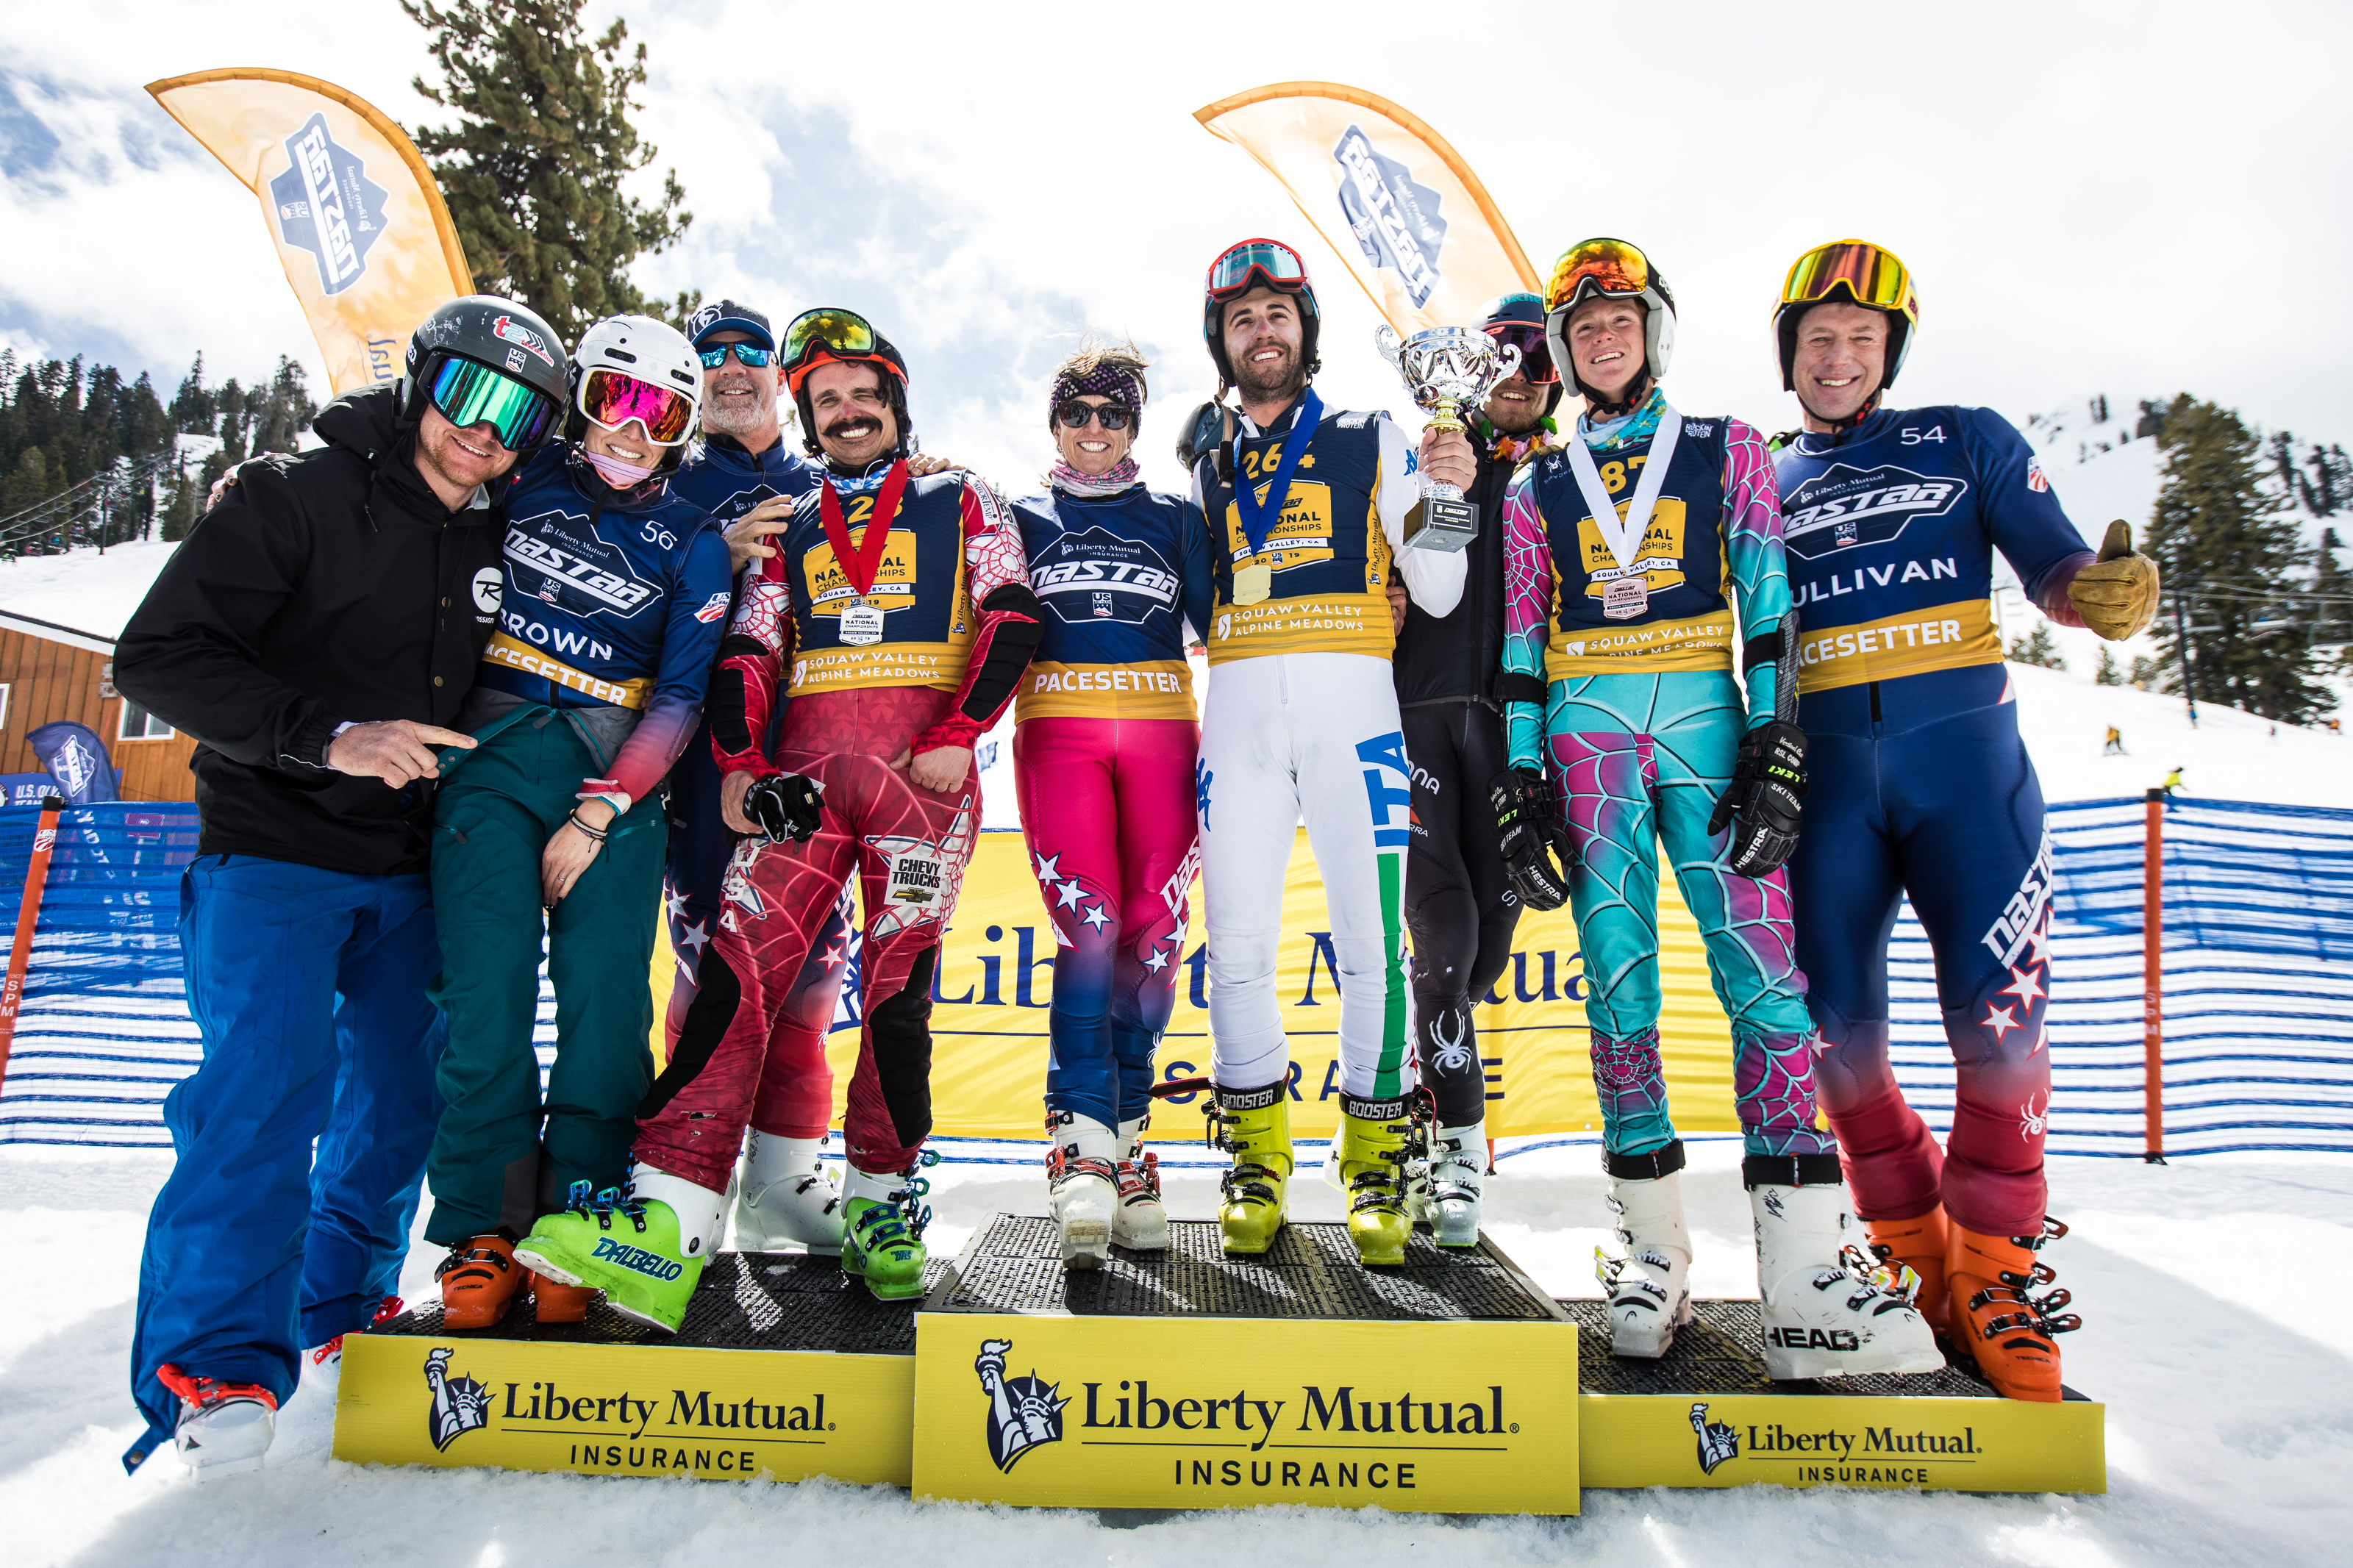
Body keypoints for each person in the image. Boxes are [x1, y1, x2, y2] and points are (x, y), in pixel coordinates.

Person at [113, 296, 567, 1478]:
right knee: (263, 1097)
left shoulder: (505, 525)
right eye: (468, 393)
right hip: (275, 852)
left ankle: (343, 1308)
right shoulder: (290, 497)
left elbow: (636, 481)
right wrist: (330, 734)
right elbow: (156, 659)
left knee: (398, 1103)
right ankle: (213, 1361)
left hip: (409, 868)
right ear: (421, 382)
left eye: (519, 411)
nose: (487, 428)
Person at [519, 308, 1043, 1320]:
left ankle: (883, 1202)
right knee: (736, 976)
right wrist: (740, 766)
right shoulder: (791, 520)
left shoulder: (962, 491)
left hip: (919, 788)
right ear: (807, 415)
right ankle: (668, 1214)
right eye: (828, 400)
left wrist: (961, 729)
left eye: (863, 395)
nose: (846, 413)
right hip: (797, 789)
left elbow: (1014, 611)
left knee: (898, 995)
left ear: (895, 403)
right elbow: (754, 650)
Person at [1496, 237, 1938, 1378]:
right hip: (1586, 728)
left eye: (1622, 318)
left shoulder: (1729, 446)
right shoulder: (1536, 484)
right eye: (1583, 326)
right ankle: (1653, 1253)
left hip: (1702, 715)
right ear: (1561, 347)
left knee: (1766, 978)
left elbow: (1771, 603)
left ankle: (1802, 1275)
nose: (1603, 338)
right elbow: (1517, 644)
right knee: (1618, 980)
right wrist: (1518, 777)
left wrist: (1779, 744)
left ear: (1656, 330)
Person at [1769, 237, 2159, 1400]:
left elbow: (2056, 565)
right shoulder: (1762, 476)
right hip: (1826, 786)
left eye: (1860, 341)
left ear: (1889, 352)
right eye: (1818, 340)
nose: (1838, 359)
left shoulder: (1962, 435)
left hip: (1966, 777)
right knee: (1835, 1040)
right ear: (1787, 353)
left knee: (1999, 1020)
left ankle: (1995, 1264)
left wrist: (2092, 592)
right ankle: (1907, 1251)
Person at [421, 314, 732, 1330]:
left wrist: (599, 813)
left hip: (615, 779)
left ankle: (578, 1217)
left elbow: (680, 699)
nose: (633, 430)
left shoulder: (690, 537)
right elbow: (416, 461)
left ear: (684, 430)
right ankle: (484, 1228)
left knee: (605, 1005)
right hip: (493, 760)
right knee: (486, 992)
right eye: (616, 398)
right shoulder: (522, 474)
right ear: (582, 397)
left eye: (663, 413)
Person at [1185, 238, 1469, 1267]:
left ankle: (1375, 1164)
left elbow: (1436, 588)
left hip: (1357, 712)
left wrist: (1448, 486)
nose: (1262, 331)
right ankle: (1258, 1160)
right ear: (1221, 340)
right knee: (1240, 950)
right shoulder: (1206, 462)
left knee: (1369, 947)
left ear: (1306, 331)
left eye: (1279, 314)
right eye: (1241, 319)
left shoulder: (1372, 432)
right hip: (1241, 717)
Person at [1010, 337, 1211, 1267]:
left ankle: (1129, 1142)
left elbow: (1235, 618)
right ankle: (1078, 1139)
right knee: (1087, 929)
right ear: (1054, 421)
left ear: (1135, 423)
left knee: (1156, 936)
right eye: (1076, 413)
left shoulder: (1177, 514)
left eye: (1113, 414)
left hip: (1164, 732)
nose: (1093, 430)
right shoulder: (1011, 515)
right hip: (1061, 736)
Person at [1385, 293, 1558, 1245]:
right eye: (1501, 356)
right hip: (1416, 726)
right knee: (1441, 953)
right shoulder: (1429, 464)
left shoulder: (1572, 476)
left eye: (1538, 360)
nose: (1519, 375)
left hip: (1515, 740)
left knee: (1487, 954)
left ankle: (1422, 1090)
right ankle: (1454, 1154)